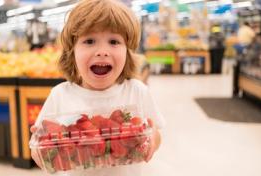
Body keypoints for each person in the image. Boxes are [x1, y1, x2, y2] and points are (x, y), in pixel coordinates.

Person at [30, 0, 164, 176]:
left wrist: (153, 140)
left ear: (127, 52)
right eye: (90, 41)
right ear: (72, 52)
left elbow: (156, 131)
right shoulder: (60, 95)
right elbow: (38, 142)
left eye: (114, 41)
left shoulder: (136, 91)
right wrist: (39, 149)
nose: (102, 51)